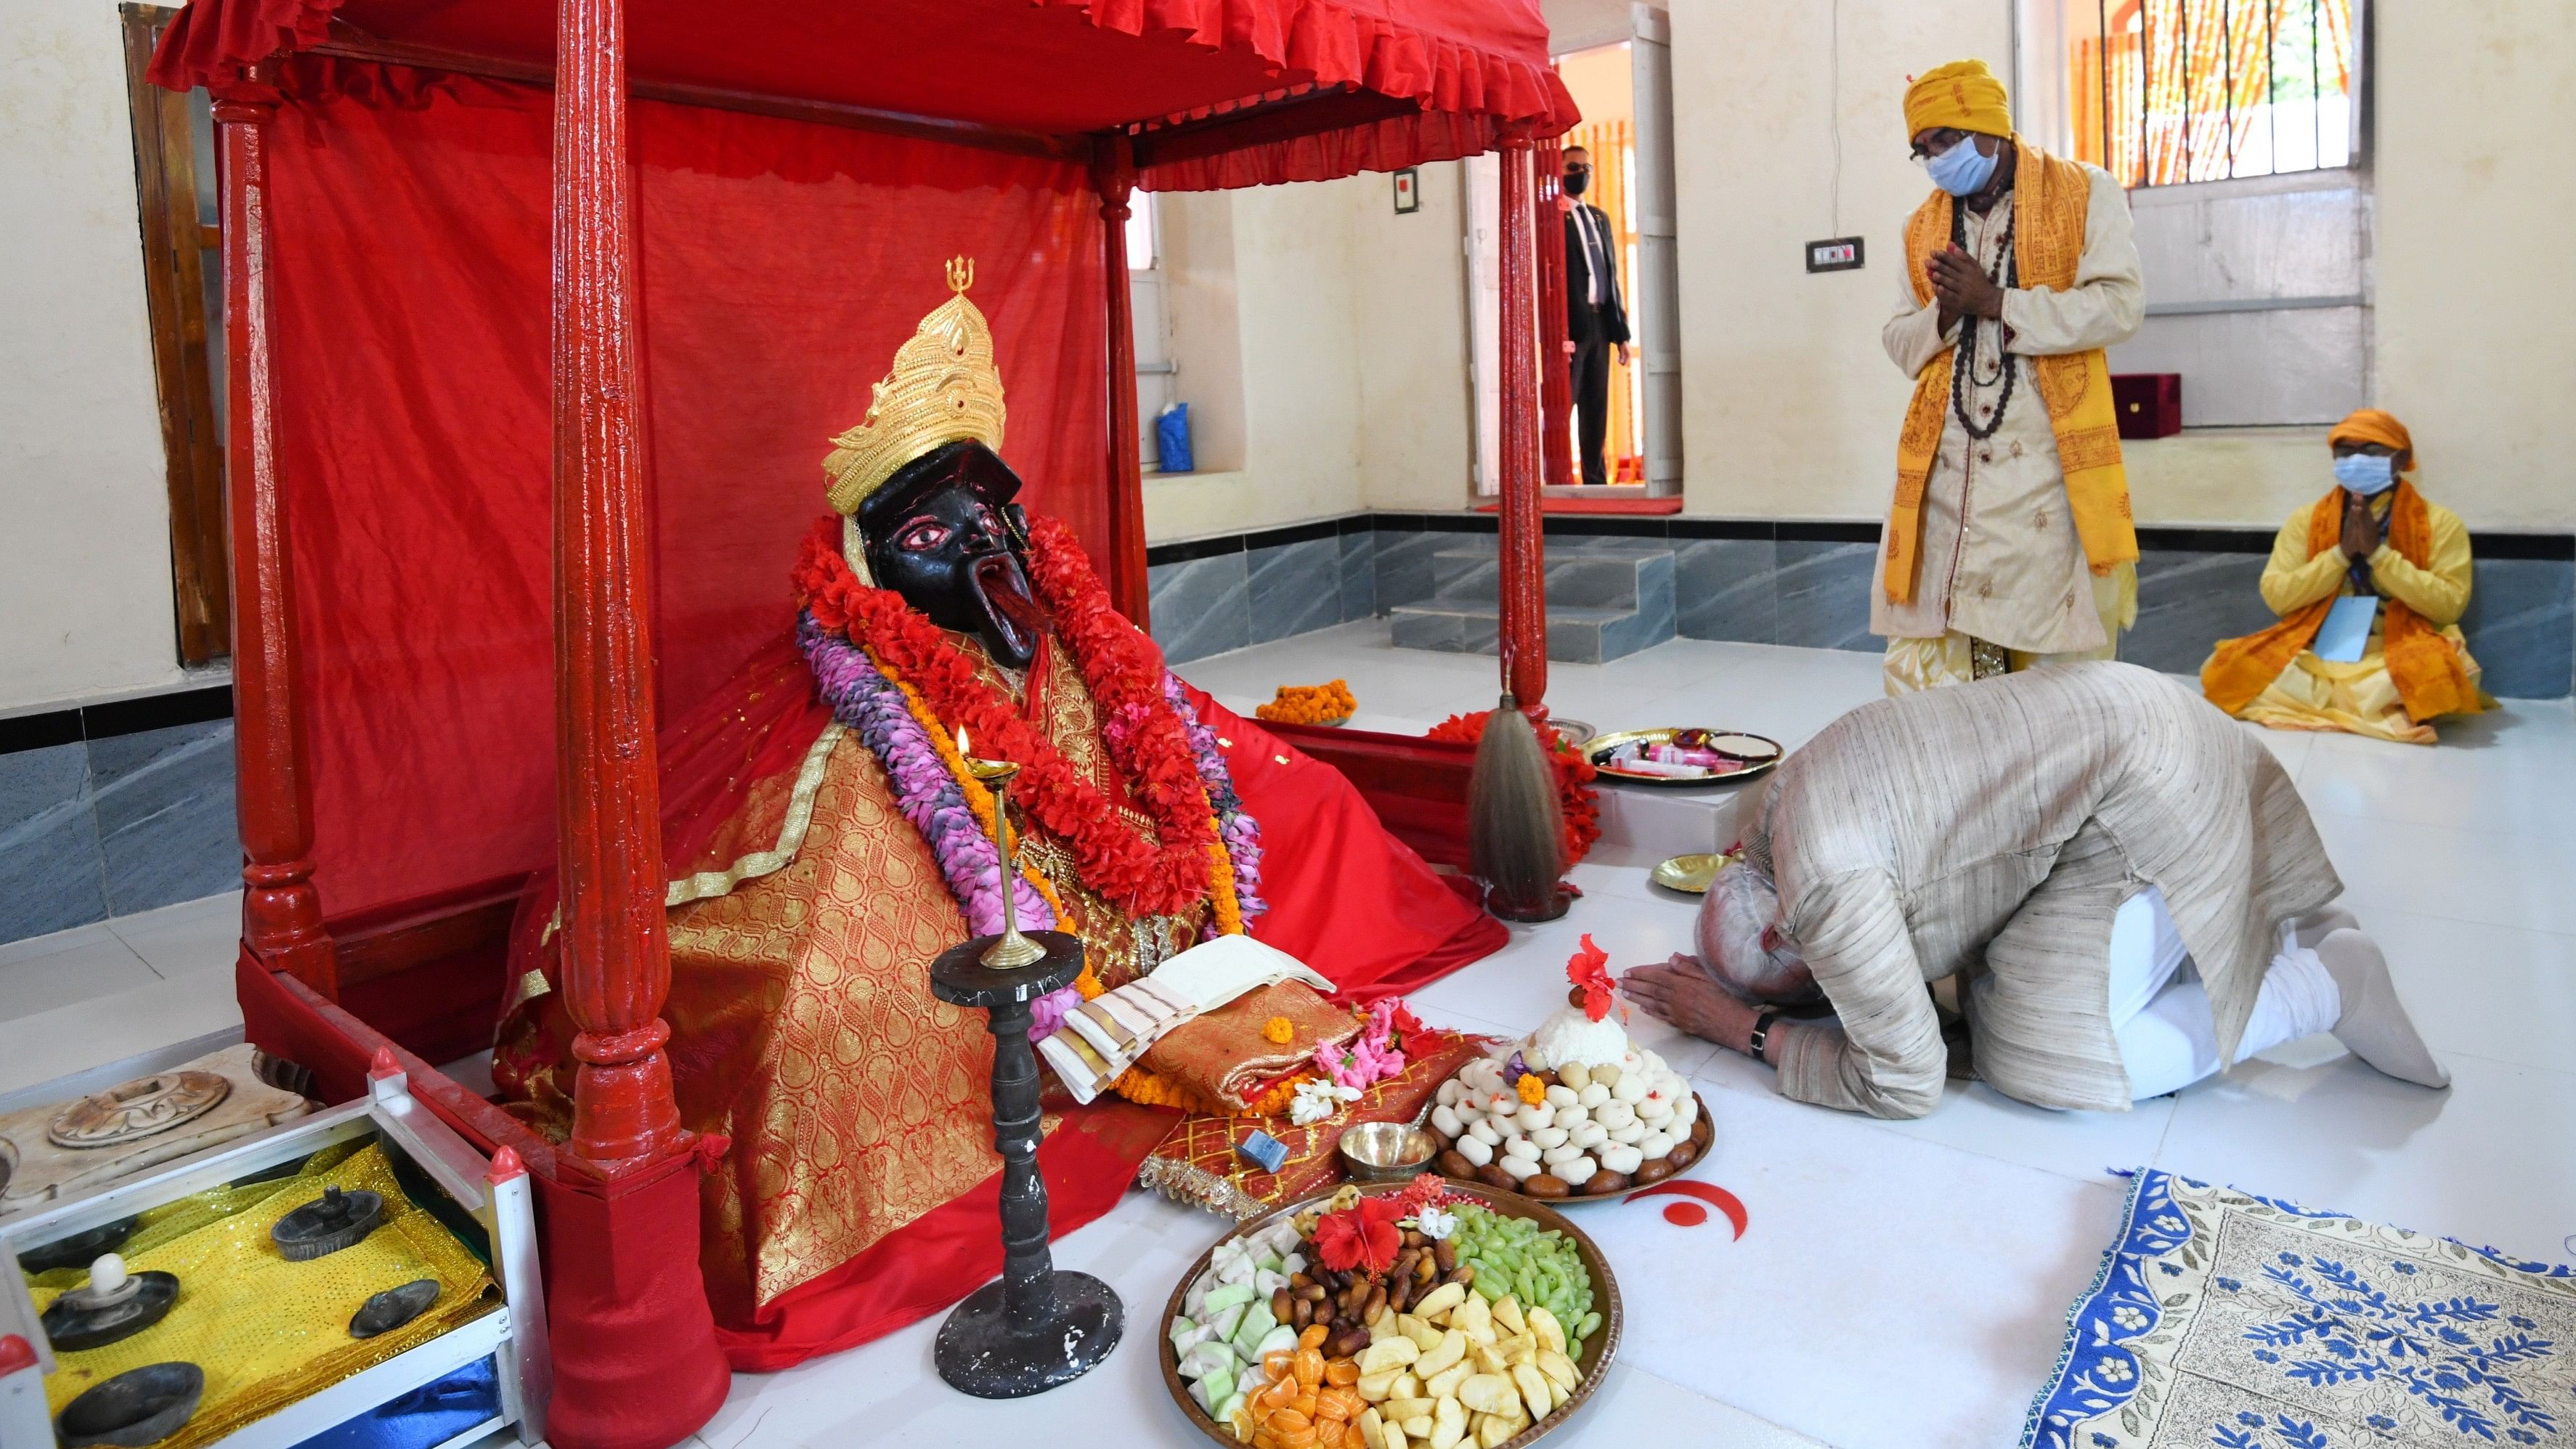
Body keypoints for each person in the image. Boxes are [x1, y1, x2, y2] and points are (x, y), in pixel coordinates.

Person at [492, 261, 1502, 1361]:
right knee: (818, 991)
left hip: (1111, 785)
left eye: (994, 521)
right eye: (936, 535)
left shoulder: (1071, 637)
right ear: (869, 565)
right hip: (916, 765)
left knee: (1295, 796)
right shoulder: (848, 701)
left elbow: (1186, 757)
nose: (981, 551)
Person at [1619, 662, 2447, 1120]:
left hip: (2146, 787)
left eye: (1815, 984)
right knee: (1983, 992)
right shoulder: (1782, 809)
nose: (1827, 993)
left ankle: (2324, 983)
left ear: (1782, 935)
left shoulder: (1826, 888)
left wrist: (1743, 1029)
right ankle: (2247, 925)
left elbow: (1904, 1082)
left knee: (2036, 1061)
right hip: (2133, 720)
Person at [1874, 59, 2145, 695]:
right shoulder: (1921, 228)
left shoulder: (2085, 191)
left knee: (2048, 651)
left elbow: (2120, 305)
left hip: (2044, 466)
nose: (1935, 159)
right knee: (1942, 654)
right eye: (1922, 150)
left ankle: (2043, 783)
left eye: (1944, 139)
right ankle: (1963, 780)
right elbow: (1895, 338)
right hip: (1946, 468)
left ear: (1986, 127)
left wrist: (1998, 302)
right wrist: (1944, 310)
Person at [2201, 407, 2488, 744]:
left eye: (2370, 451)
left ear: (2401, 459)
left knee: (2447, 668)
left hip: (2394, 648)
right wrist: (2340, 555)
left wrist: (2379, 555)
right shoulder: (2306, 520)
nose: (2355, 460)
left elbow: (2449, 606)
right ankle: (2376, 709)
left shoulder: (2440, 523)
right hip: (2319, 645)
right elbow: (2278, 596)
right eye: (2345, 451)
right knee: (2225, 665)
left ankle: (2338, 702)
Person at [1561, 145, 1631, 488]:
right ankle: (1557, 479)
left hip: (1601, 322)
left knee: (1596, 406)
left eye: (1587, 167)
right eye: (1573, 167)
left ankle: (1595, 482)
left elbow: (1611, 275)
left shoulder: (1599, 217)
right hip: (1572, 326)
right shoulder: (1553, 218)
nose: (1582, 173)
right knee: (1564, 405)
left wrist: (1622, 335)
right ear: (1560, 171)